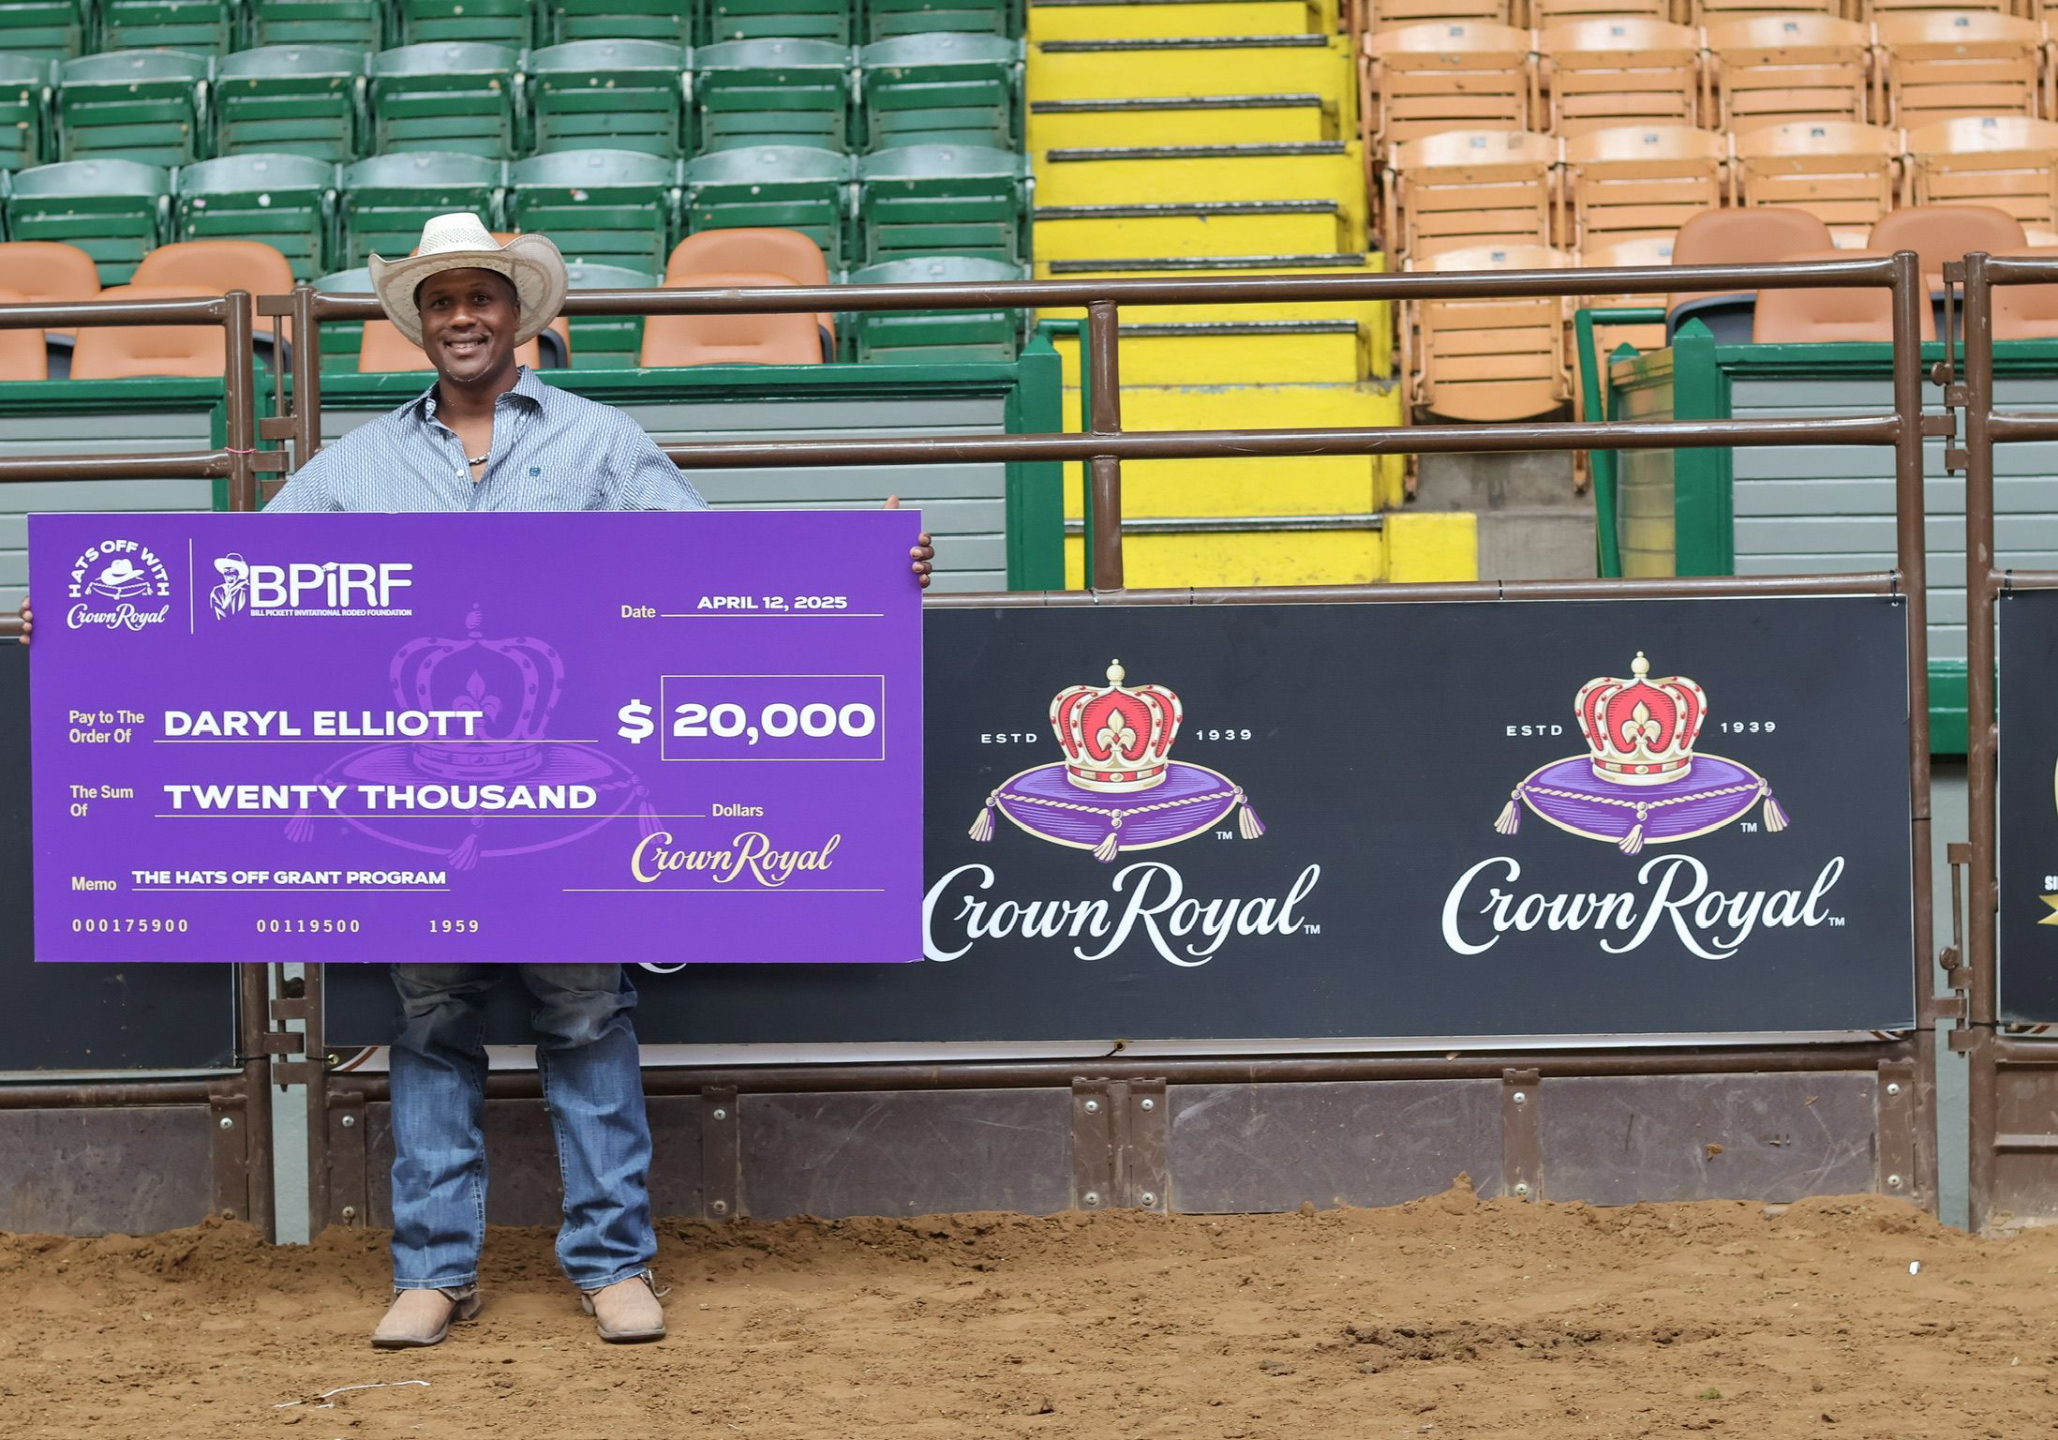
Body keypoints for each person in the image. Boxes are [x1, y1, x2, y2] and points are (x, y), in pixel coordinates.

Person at [16, 212, 934, 1349]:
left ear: (517, 314)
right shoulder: (356, 464)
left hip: (563, 810)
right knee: (431, 1021)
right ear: (419, 324)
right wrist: (87, 630)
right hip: (421, 808)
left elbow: (711, 571)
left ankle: (613, 1262)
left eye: (481, 297)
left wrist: (866, 570)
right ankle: (434, 1271)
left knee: (586, 1015)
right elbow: (238, 589)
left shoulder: (601, 442)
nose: (462, 317)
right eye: (441, 301)